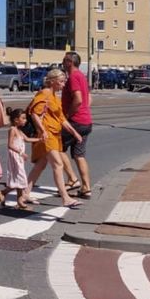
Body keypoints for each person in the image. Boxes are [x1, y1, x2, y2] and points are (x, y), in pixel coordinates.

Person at [26, 68, 83, 208]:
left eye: (64, 82)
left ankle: (25, 192)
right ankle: (65, 198)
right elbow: (34, 113)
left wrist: (74, 133)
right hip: (47, 134)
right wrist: (42, 130)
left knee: (41, 165)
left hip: (54, 134)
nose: (64, 85)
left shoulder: (55, 97)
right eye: (61, 82)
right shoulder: (45, 93)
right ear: (53, 81)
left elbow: (62, 119)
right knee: (58, 164)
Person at [61, 52, 94, 198]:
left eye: (64, 60)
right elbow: (89, 98)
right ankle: (86, 187)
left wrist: (68, 115)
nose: (62, 63)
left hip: (75, 121)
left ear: (70, 62)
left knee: (56, 147)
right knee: (79, 155)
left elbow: (79, 99)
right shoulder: (81, 76)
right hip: (86, 120)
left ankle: (72, 179)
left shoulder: (73, 76)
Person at [0, 108, 38, 210]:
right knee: (20, 178)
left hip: (19, 157)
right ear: (16, 120)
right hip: (15, 157)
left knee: (19, 179)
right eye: (23, 118)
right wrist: (21, 153)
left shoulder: (19, 131)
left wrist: (40, 139)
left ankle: (18, 201)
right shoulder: (12, 130)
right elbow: (9, 145)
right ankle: (3, 193)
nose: (25, 120)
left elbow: (27, 139)